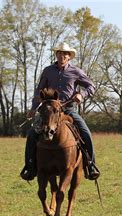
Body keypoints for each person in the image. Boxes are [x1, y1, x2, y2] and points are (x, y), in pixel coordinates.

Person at [20, 42, 100, 181]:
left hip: (68, 110)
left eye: (65, 54)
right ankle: (30, 167)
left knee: (86, 133)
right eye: (60, 53)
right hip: (49, 112)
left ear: (69, 57)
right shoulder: (47, 71)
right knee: (32, 134)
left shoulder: (76, 72)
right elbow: (39, 91)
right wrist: (34, 108)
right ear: (56, 54)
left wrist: (82, 95)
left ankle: (90, 165)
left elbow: (91, 86)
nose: (62, 56)